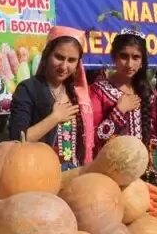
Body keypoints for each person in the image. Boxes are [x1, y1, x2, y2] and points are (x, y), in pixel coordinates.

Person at [9, 26, 94, 170]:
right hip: (39, 173)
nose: (64, 66)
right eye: (59, 57)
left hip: (75, 175)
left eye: (71, 60)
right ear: (47, 55)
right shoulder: (28, 89)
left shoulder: (77, 94)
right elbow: (18, 139)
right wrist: (54, 118)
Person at [90, 30, 157, 165]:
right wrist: (119, 111)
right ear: (114, 57)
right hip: (110, 168)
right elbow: (94, 137)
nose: (129, 64)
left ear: (142, 61)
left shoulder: (148, 93)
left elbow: (154, 135)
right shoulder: (99, 91)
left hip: (141, 169)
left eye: (136, 57)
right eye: (124, 56)